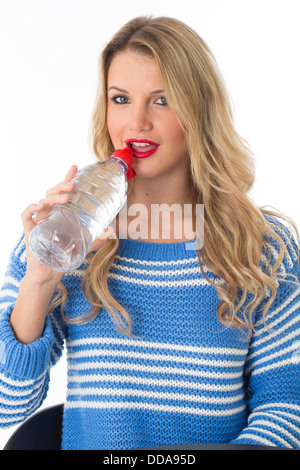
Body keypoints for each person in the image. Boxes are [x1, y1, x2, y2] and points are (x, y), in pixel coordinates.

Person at [0, 16, 299, 450]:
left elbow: (287, 405)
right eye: (120, 99)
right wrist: (38, 283)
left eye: (161, 101)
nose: (136, 121)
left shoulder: (261, 247)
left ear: (198, 111)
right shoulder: (69, 236)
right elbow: (6, 406)